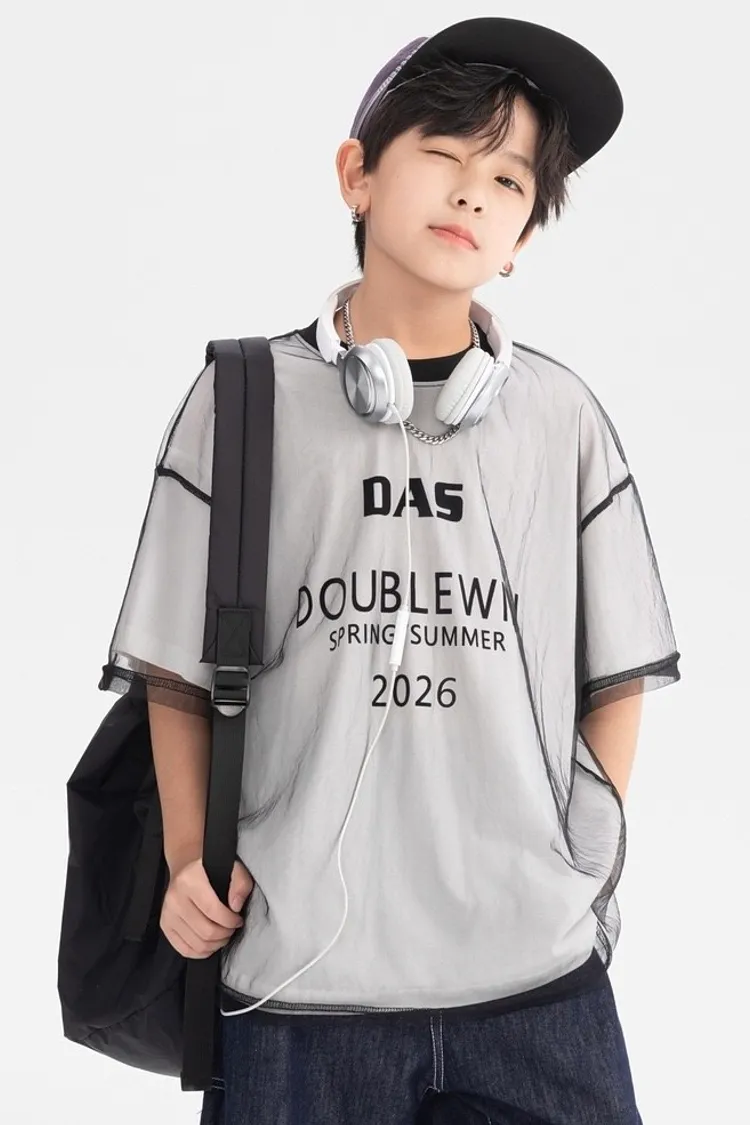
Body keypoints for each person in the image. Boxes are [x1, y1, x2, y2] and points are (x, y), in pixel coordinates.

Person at [101, 16, 681, 1124]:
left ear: (521, 237)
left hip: (535, 983)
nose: (472, 194)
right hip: (299, 984)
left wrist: (576, 860)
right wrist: (186, 856)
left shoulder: (560, 418)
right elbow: (176, 668)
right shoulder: (243, 404)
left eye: (508, 181)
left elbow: (616, 672)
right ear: (357, 175)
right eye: (444, 154)